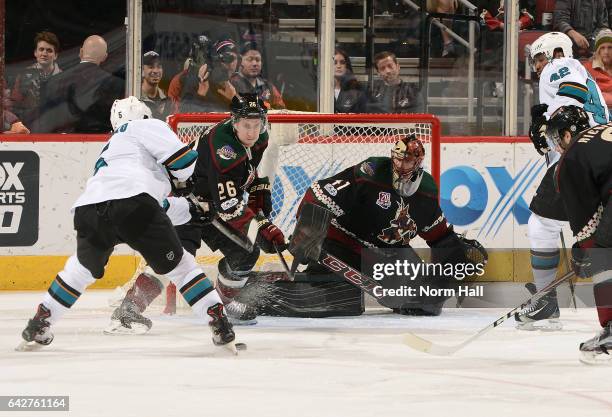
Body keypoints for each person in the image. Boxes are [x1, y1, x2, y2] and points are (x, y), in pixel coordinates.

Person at [17, 96, 239, 353]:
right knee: (182, 267)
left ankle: (40, 322)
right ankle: (218, 322)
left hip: (89, 210)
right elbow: (185, 163)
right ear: (144, 115)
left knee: (79, 270)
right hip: (135, 206)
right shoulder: (146, 126)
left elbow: (152, 206)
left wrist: (188, 210)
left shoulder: (113, 147)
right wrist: (187, 187)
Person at [106, 93, 287, 333]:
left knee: (245, 251)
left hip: (210, 204)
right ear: (234, 121)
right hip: (186, 202)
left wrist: (260, 202)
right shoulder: (224, 148)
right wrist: (261, 227)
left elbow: (250, 177)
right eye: (246, 125)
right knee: (175, 258)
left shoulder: (260, 136)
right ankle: (127, 309)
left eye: (257, 124)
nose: (252, 132)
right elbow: (230, 205)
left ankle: (223, 305)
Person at [294, 135, 486, 316]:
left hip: (385, 254)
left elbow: (440, 236)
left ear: (418, 164)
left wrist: (455, 258)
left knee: (427, 301)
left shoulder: (427, 191)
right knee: (335, 298)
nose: (400, 166)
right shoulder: (372, 170)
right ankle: (303, 284)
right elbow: (320, 193)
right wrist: (307, 233)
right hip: (343, 243)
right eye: (397, 159)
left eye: (407, 161)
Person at [516, 31, 609, 330]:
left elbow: (572, 93)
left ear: (557, 51)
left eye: (540, 57)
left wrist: (555, 121)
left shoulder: (560, 66)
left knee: (541, 223)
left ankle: (544, 299)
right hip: (600, 153)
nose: (539, 65)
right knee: (601, 236)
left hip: (580, 156)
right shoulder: (574, 73)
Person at [544, 105, 612, 364]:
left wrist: (584, 252)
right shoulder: (603, 130)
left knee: (603, 254)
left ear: (568, 135)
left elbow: (589, 232)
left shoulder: (571, 159)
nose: (557, 146)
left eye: (557, 137)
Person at [38, 35, 124, 133]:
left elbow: (45, 122)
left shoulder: (53, 82)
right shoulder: (117, 84)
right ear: (104, 57)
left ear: (81, 52)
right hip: (101, 143)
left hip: (57, 144)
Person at [168, 36, 237, 113]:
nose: (202, 57)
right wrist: (200, 95)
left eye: (206, 53)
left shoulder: (233, 81)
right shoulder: (185, 79)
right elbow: (182, 114)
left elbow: (246, 116)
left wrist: (233, 101)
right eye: (199, 52)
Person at [11, 31, 62, 131]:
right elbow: (15, 105)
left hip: (55, 130)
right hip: (28, 130)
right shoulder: (23, 76)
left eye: (49, 50)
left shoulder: (64, 77)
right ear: (35, 53)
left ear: (56, 55)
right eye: (41, 49)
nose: (44, 53)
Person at [230, 42, 285, 109]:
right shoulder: (231, 85)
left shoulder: (268, 87)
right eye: (250, 59)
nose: (254, 64)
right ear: (240, 61)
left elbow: (282, 110)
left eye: (258, 60)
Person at [584, 29, 612, 110]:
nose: (606, 52)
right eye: (602, 48)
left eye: (610, 47)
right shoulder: (587, 69)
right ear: (597, 51)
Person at [140, 51, 172, 121]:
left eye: (159, 67)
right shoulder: (135, 98)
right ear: (142, 70)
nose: (155, 71)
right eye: (151, 67)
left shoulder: (167, 99)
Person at [333, 49, 366, 114]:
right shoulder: (321, 91)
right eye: (335, 63)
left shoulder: (357, 91)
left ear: (347, 66)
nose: (338, 66)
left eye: (342, 62)